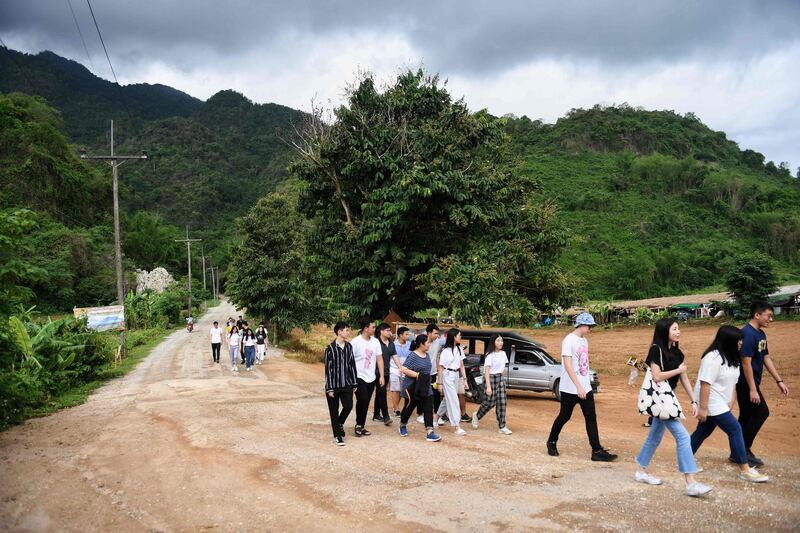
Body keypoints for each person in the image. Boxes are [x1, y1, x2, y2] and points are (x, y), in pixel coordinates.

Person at [633, 319, 712, 497]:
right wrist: (678, 370)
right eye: (674, 329)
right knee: (683, 436)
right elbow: (657, 376)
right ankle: (690, 482)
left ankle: (641, 471)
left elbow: (684, 378)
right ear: (664, 331)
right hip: (661, 398)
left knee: (655, 436)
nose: (678, 331)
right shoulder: (656, 349)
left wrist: (694, 401)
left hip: (669, 395)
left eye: (678, 328)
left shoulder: (677, 352)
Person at [691, 326, 769, 483]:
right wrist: (703, 408)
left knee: (703, 431)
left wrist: (730, 404)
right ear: (729, 341)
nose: (742, 343)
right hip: (709, 400)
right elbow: (705, 384)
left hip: (720, 402)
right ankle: (745, 470)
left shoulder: (734, 358)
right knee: (735, 429)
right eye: (739, 340)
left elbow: (733, 385)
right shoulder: (712, 358)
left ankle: (685, 459)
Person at [547, 312, 617, 462]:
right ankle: (551, 441)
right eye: (589, 326)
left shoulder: (584, 341)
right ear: (581, 325)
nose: (590, 329)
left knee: (591, 418)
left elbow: (583, 365)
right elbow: (567, 365)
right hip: (569, 388)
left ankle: (596, 450)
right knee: (564, 416)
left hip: (585, 387)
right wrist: (578, 386)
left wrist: (585, 385)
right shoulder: (568, 340)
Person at [736, 301, 789, 467]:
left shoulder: (760, 334)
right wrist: (753, 389)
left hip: (751, 382)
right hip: (745, 382)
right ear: (757, 315)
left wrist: (779, 380)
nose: (770, 319)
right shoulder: (747, 334)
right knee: (761, 412)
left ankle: (737, 451)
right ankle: (744, 450)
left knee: (746, 416)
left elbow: (766, 357)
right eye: (768, 316)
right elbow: (746, 363)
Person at [398, 333, 441, 442]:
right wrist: (417, 375)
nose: (429, 345)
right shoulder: (413, 355)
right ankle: (403, 425)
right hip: (412, 387)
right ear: (421, 344)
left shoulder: (427, 355)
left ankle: (430, 432)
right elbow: (404, 369)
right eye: (427, 343)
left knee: (428, 407)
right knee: (409, 407)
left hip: (425, 386)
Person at [325, 322, 358, 446]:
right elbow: (328, 369)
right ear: (339, 332)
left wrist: (354, 383)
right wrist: (329, 388)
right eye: (346, 330)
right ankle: (338, 436)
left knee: (348, 406)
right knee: (334, 412)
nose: (348, 332)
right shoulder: (330, 349)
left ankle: (339, 423)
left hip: (347, 384)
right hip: (333, 386)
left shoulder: (349, 347)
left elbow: (352, 365)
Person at [472, 334, 512, 434]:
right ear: (493, 342)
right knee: (490, 403)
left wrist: (502, 380)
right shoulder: (489, 355)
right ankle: (477, 416)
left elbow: (502, 369)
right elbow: (487, 371)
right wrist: (488, 387)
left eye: (501, 341)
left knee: (502, 402)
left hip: (500, 378)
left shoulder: (503, 354)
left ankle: (502, 426)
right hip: (490, 378)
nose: (501, 343)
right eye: (498, 341)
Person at [350, 319, 384, 436]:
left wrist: (382, 376)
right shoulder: (355, 342)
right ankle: (358, 425)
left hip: (371, 377)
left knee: (366, 402)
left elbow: (379, 359)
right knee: (363, 399)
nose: (375, 329)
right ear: (365, 328)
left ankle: (361, 425)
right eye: (373, 327)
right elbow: (349, 361)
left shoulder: (375, 342)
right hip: (358, 376)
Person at [436, 328, 468, 436]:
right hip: (447, 375)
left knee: (447, 399)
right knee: (454, 400)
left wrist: (465, 379)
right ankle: (457, 426)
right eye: (459, 335)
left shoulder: (459, 349)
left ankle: (435, 418)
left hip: (456, 375)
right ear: (454, 337)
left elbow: (462, 366)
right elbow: (440, 368)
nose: (461, 337)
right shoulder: (445, 351)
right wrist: (440, 383)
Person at [417, 323, 443, 423]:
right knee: (422, 393)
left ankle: (437, 415)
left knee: (436, 394)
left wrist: (438, 370)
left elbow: (436, 356)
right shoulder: (422, 340)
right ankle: (420, 414)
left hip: (433, 372)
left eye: (438, 334)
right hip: (422, 372)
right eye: (435, 333)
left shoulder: (437, 342)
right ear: (428, 333)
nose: (437, 336)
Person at [372, 323, 394, 426]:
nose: (389, 332)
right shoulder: (375, 343)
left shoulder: (391, 343)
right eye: (387, 330)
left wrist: (400, 367)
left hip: (386, 372)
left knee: (379, 393)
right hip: (376, 372)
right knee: (382, 393)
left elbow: (395, 356)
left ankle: (376, 414)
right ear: (381, 331)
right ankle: (386, 416)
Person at [390, 327, 412, 417]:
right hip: (394, 369)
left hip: (406, 370)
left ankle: (397, 407)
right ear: (400, 335)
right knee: (396, 389)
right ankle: (396, 409)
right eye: (406, 334)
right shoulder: (392, 345)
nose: (408, 336)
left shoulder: (410, 344)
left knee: (401, 390)